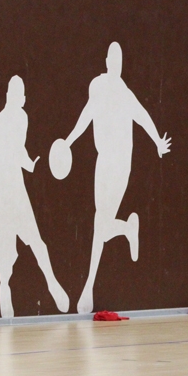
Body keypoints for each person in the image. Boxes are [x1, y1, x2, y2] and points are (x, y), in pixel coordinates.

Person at [64, 42, 172, 313]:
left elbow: (143, 116)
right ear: (107, 61)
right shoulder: (98, 86)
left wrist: (157, 141)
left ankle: (88, 286)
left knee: (99, 222)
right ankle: (126, 229)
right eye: (113, 58)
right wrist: (68, 141)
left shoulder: (125, 94)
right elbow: (86, 115)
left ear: (121, 64)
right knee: (100, 222)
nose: (117, 63)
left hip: (122, 164)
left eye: (120, 59)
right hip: (103, 162)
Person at [0, 76, 69, 318]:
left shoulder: (21, 118)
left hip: (13, 189)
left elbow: (17, 148)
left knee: (37, 242)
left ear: (21, 98)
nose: (18, 98)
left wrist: (29, 164)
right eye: (15, 94)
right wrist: (25, 165)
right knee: (5, 264)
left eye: (20, 94)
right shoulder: (3, 122)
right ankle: (5, 290)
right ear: (10, 97)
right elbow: (8, 153)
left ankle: (52, 283)